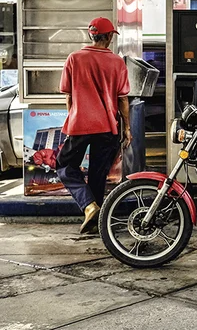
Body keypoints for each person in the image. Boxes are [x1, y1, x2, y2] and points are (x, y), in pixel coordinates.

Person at [56, 17, 131, 234]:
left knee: (65, 166)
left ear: (91, 35)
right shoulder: (117, 62)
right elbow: (122, 99)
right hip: (108, 126)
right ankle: (94, 216)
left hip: (80, 124)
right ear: (108, 37)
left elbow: (69, 96)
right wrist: (127, 128)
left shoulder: (74, 58)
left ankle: (90, 208)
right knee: (97, 173)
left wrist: (73, 116)